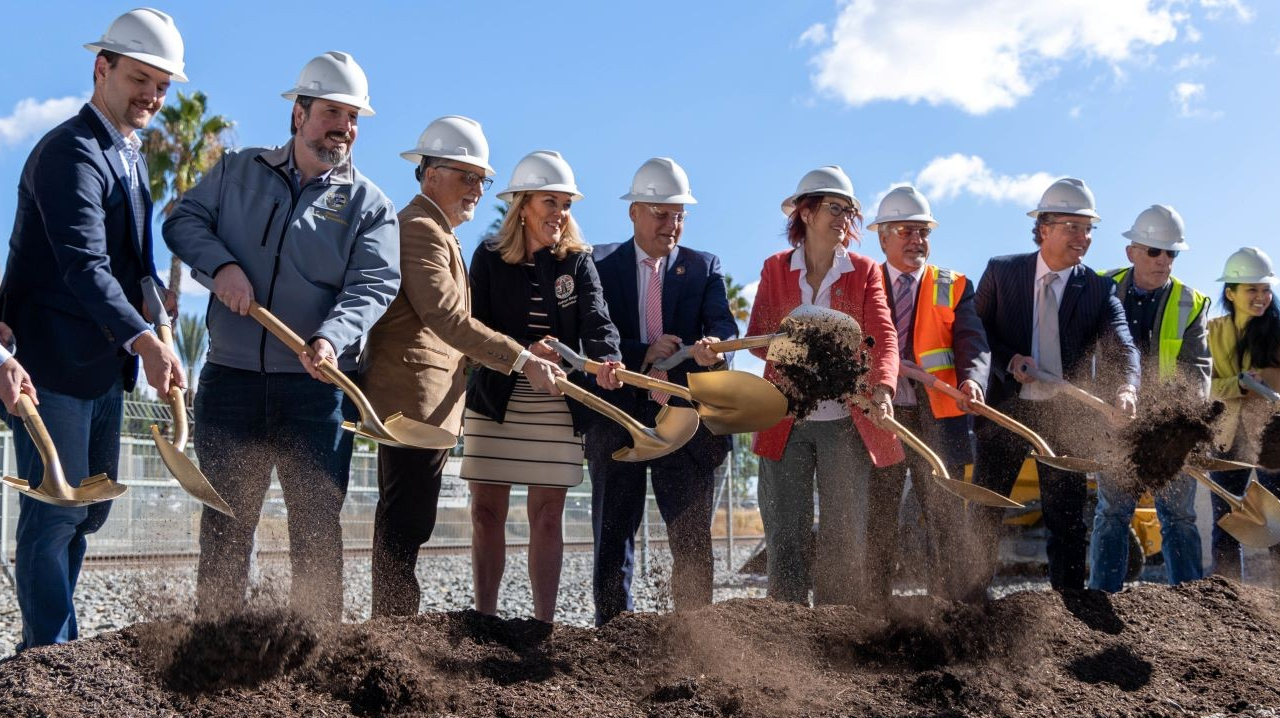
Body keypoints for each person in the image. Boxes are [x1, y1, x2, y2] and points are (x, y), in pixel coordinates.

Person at [164, 51, 399, 620]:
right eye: (331, 113)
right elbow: (181, 220)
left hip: (314, 390)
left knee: (316, 523)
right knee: (225, 519)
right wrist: (220, 268)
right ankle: (215, 645)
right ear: (299, 114)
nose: (342, 128)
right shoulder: (236, 171)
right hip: (231, 381)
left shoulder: (370, 206)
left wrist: (332, 337)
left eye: (352, 118)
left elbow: (373, 284)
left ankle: (316, 654)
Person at [0, 8, 187, 649]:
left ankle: (60, 648)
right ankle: (46, 658)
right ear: (100, 68)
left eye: (162, 86)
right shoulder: (69, 154)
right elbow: (84, 266)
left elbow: (134, 267)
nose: (152, 97)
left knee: (89, 511)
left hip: (105, 369)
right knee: (56, 513)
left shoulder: (127, 159)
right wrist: (143, 339)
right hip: (50, 365)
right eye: (140, 79)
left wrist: (158, 325)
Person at [359, 119, 567, 617]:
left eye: (482, 180)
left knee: (406, 523)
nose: (477, 189)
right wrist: (521, 358)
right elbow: (447, 318)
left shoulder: (439, 231)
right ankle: (391, 633)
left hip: (426, 406)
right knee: (403, 525)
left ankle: (392, 629)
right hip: (411, 403)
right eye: (466, 176)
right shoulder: (421, 229)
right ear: (429, 173)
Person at [461, 150, 621, 622]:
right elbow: (476, 327)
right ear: (523, 205)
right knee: (486, 513)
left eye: (566, 204)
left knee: (548, 516)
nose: (560, 213)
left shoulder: (577, 262)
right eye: (550, 202)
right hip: (496, 400)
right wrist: (527, 352)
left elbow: (598, 321)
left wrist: (605, 359)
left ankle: (542, 625)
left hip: (556, 401)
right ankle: (484, 619)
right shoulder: (488, 257)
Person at [969, 178, 1140, 596]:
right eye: (1073, 227)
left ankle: (1070, 610)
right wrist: (1009, 359)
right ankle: (969, 604)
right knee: (986, 508)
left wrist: (1127, 388)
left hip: (1064, 418)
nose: (1083, 238)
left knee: (1066, 519)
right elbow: (976, 329)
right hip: (1006, 410)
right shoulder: (1002, 271)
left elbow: (1123, 343)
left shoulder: (1098, 289)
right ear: (1044, 227)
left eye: (1088, 229)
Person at [587, 157, 736, 625]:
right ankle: (613, 635)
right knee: (613, 535)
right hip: (619, 420)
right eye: (660, 214)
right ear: (634, 212)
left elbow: (723, 328)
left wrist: (714, 350)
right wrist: (642, 353)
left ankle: (697, 639)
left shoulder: (703, 267)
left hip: (686, 425)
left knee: (691, 541)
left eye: (678, 215)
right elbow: (593, 334)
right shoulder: (598, 263)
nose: (671, 225)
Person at [746, 166, 901, 606]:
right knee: (786, 533)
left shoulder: (865, 271)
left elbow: (884, 337)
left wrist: (883, 388)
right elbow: (760, 337)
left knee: (843, 537)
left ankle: (835, 634)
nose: (844, 219)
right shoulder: (776, 269)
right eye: (835, 208)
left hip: (843, 425)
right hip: (786, 421)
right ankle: (789, 634)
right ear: (806, 212)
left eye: (848, 211)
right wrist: (803, 358)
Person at [865, 186, 989, 607]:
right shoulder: (865, 281)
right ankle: (872, 612)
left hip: (937, 416)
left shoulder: (952, 285)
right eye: (906, 230)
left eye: (923, 231)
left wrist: (972, 380)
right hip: (879, 414)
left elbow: (973, 341)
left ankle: (950, 610)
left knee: (945, 517)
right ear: (883, 236)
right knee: (877, 518)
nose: (917, 239)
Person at [1088, 205, 1209, 592]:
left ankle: (1191, 602)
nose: (1164, 261)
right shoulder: (1100, 287)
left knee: (1178, 516)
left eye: (1171, 253)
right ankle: (1100, 597)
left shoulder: (1190, 303)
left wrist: (1181, 430)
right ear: (1131, 253)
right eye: (1154, 252)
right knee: (1112, 513)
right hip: (1115, 420)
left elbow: (1197, 371)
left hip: (1167, 429)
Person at [1207, 247, 1280, 581]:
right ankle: (1227, 593)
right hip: (1226, 436)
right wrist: (1237, 384)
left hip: (1271, 440)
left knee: (1276, 517)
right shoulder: (1210, 332)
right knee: (1227, 517)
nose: (1261, 297)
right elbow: (1203, 387)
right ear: (1230, 292)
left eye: (1265, 289)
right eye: (1252, 289)